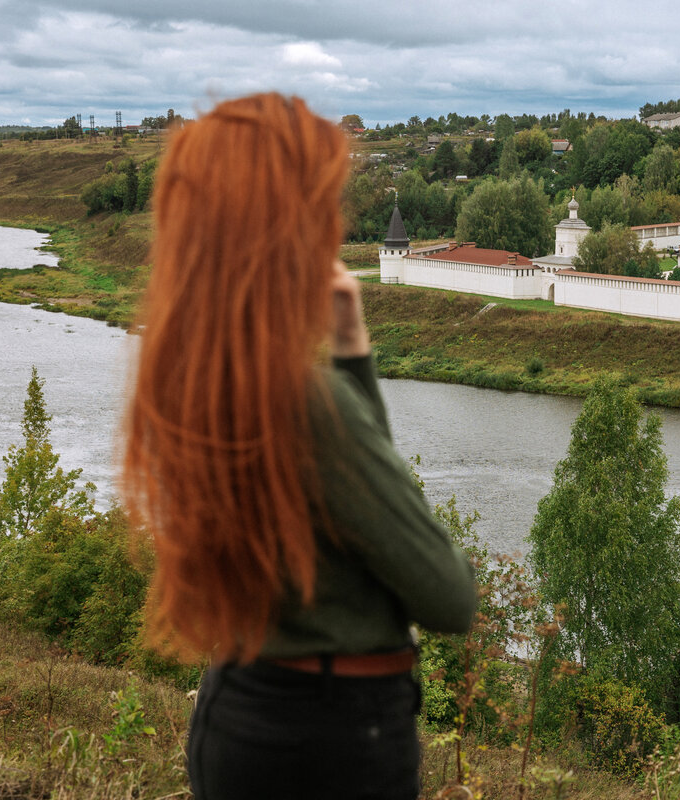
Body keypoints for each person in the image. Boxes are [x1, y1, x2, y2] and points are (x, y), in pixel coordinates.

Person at [122, 93, 476, 800]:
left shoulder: (194, 379)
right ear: (282, 225)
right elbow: (450, 599)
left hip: (241, 710)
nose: (334, 222)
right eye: (322, 202)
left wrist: (352, 354)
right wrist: (344, 383)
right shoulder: (309, 403)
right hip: (332, 740)